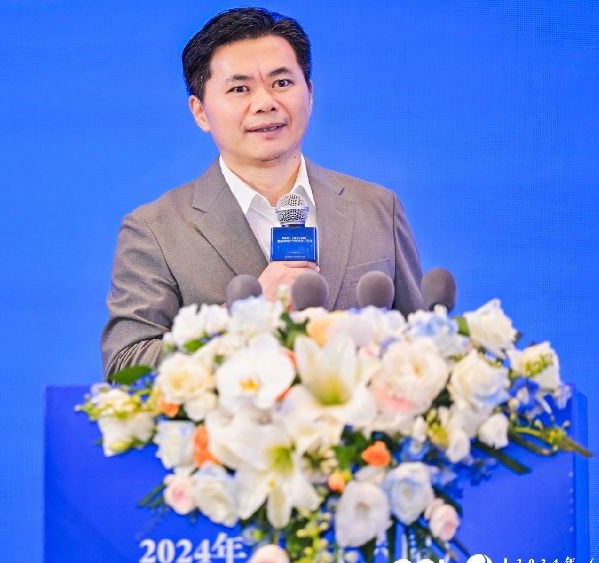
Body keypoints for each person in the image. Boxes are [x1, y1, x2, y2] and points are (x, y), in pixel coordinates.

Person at [101, 7, 424, 377]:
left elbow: (421, 350)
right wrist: (243, 320)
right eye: (240, 89)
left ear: (310, 94)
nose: (265, 102)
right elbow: (126, 367)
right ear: (200, 111)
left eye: (282, 83)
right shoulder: (155, 230)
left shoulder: (377, 208)